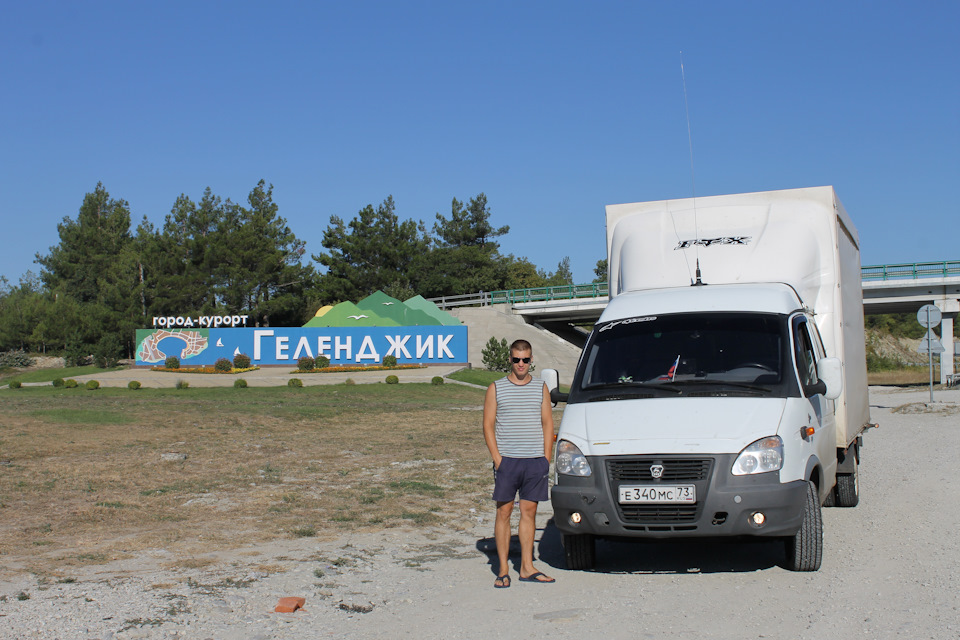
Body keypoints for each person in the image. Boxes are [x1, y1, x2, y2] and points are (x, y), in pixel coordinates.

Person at [482, 339, 556, 588]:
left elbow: (548, 423)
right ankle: (503, 569)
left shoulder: (541, 388)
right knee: (504, 512)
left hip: (535, 460)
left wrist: (547, 457)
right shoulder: (496, 388)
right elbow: (488, 425)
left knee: (529, 512)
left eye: (525, 359)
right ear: (510, 360)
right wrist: (497, 458)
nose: (521, 364)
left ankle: (526, 567)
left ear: (531, 360)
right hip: (507, 461)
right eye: (516, 360)